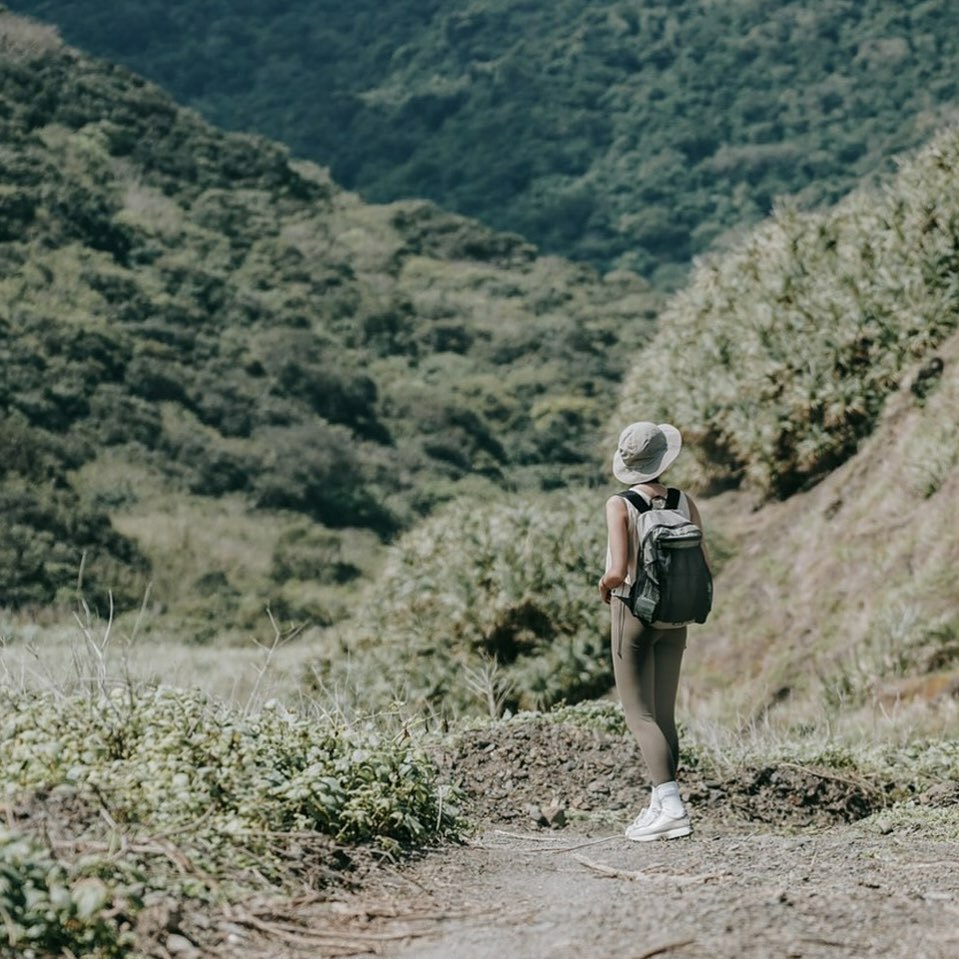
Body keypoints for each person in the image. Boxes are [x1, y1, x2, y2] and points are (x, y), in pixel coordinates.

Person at [598, 421, 710, 842]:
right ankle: (660, 804)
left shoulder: (620, 503)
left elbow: (618, 570)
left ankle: (672, 807)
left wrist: (604, 586)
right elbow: (705, 563)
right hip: (677, 615)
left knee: (638, 714)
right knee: (664, 715)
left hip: (634, 614)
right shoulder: (683, 501)